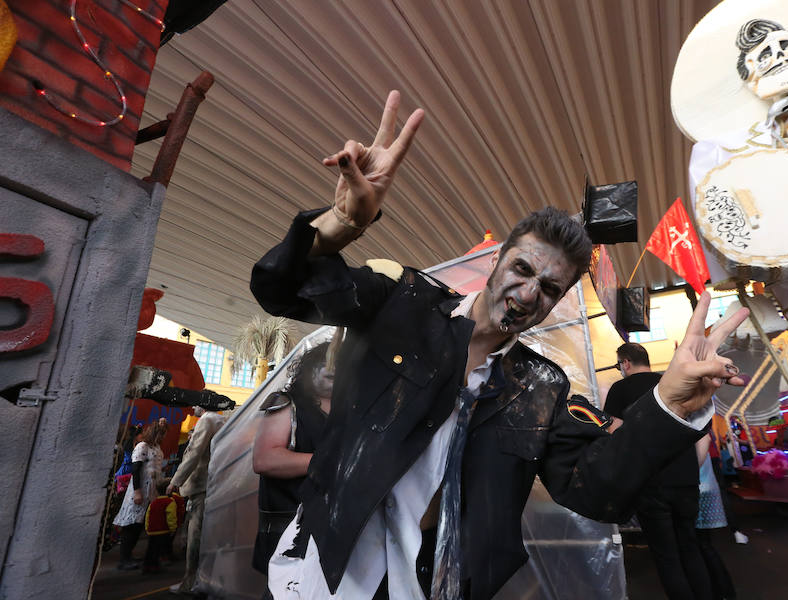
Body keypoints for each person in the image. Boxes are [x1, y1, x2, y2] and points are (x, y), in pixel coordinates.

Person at [250, 90, 749, 600]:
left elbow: (595, 490)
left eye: (550, 288)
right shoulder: (404, 301)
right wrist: (341, 224)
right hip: (329, 567)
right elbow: (280, 290)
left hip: (436, 584)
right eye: (522, 269)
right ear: (497, 262)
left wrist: (670, 403)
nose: (530, 293)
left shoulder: (541, 386)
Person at [605, 342, 712, 599]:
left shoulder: (620, 389)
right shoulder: (672, 382)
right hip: (686, 481)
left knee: (667, 556)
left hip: (650, 483)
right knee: (690, 547)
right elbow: (701, 434)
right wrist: (688, 471)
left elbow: (614, 432)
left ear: (625, 363)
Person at [252, 342, 333, 596]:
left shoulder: (347, 412)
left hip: (327, 529)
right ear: (310, 369)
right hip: (287, 528)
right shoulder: (287, 403)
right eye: (330, 368)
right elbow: (264, 459)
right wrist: (327, 464)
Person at [166, 406, 226, 596]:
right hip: (215, 485)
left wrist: (175, 481)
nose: (193, 408)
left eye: (197, 404)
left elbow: (194, 453)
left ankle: (191, 582)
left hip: (201, 485)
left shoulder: (207, 420)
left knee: (195, 535)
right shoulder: (222, 421)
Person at [112, 421, 167, 570]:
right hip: (139, 490)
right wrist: (137, 491)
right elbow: (136, 469)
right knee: (131, 526)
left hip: (150, 492)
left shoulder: (157, 448)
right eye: (160, 433)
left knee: (138, 525)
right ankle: (124, 559)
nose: (162, 436)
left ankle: (129, 556)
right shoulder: (142, 447)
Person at [695, 434, 737, 600]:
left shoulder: (694, 417)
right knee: (702, 545)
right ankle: (722, 591)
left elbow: (704, 441)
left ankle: (721, 591)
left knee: (700, 545)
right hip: (700, 484)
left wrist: (689, 473)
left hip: (697, 487)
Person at [143, 478, 186, 574]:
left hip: (152, 531)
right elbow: (171, 517)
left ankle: (147, 566)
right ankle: (157, 565)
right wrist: (173, 528)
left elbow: (148, 516)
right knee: (161, 548)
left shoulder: (153, 502)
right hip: (163, 530)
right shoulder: (170, 502)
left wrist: (147, 528)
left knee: (151, 549)